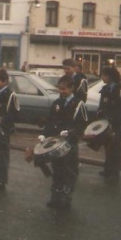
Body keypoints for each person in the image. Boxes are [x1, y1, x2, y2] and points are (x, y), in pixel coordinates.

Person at [38, 75, 88, 209]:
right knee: (57, 171)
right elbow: (50, 121)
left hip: (70, 143)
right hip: (56, 143)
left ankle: (66, 199)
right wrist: (44, 134)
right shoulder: (57, 103)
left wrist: (70, 132)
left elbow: (82, 125)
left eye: (64, 89)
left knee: (69, 172)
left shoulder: (78, 104)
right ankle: (55, 198)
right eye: (59, 89)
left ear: (72, 88)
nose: (61, 91)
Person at [96, 66, 121, 180]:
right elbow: (102, 106)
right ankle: (107, 169)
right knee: (108, 146)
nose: (102, 77)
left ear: (110, 76)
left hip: (118, 124)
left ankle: (115, 172)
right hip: (107, 123)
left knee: (116, 147)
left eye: (104, 75)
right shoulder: (105, 89)